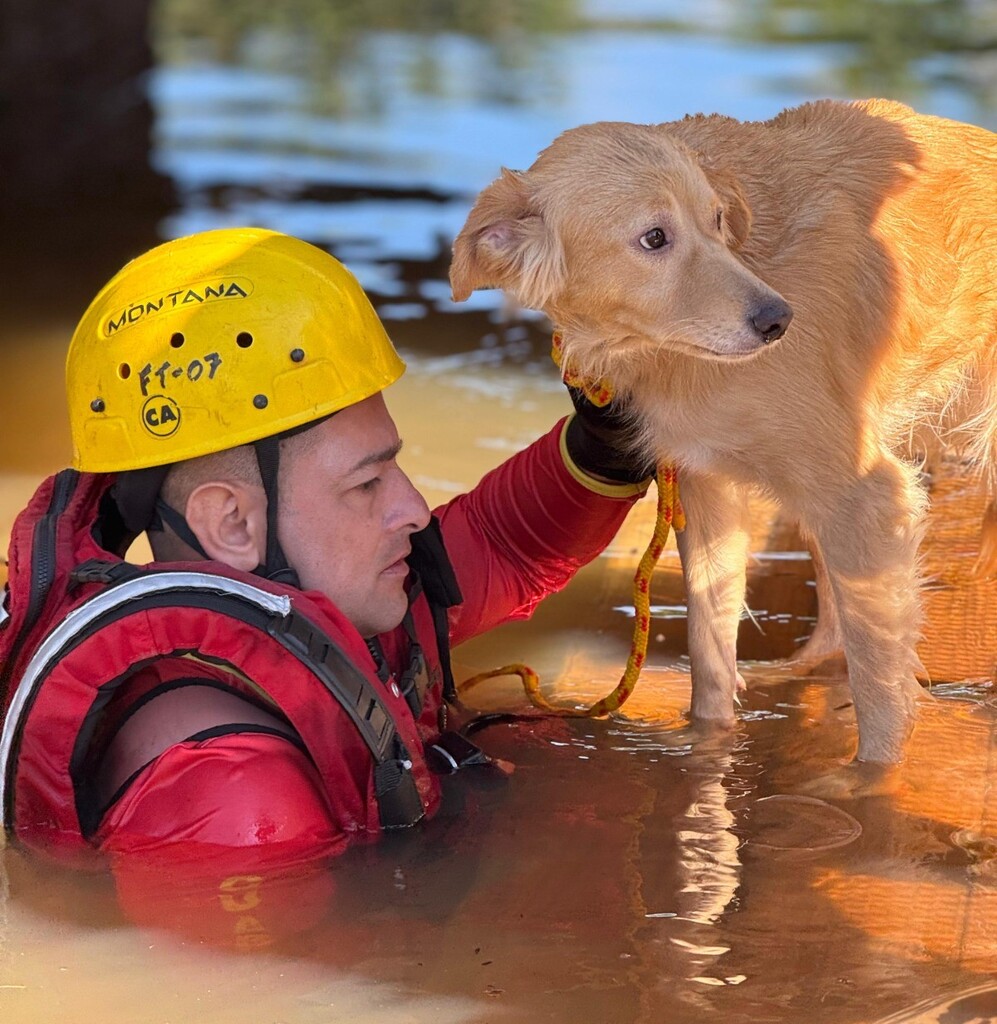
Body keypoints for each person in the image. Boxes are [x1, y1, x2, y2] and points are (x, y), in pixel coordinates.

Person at [0, 227, 650, 871]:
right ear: (232, 524)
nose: (413, 509)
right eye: (366, 482)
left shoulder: (327, 608)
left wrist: (609, 440)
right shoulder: (236, 803)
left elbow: (503, 542)